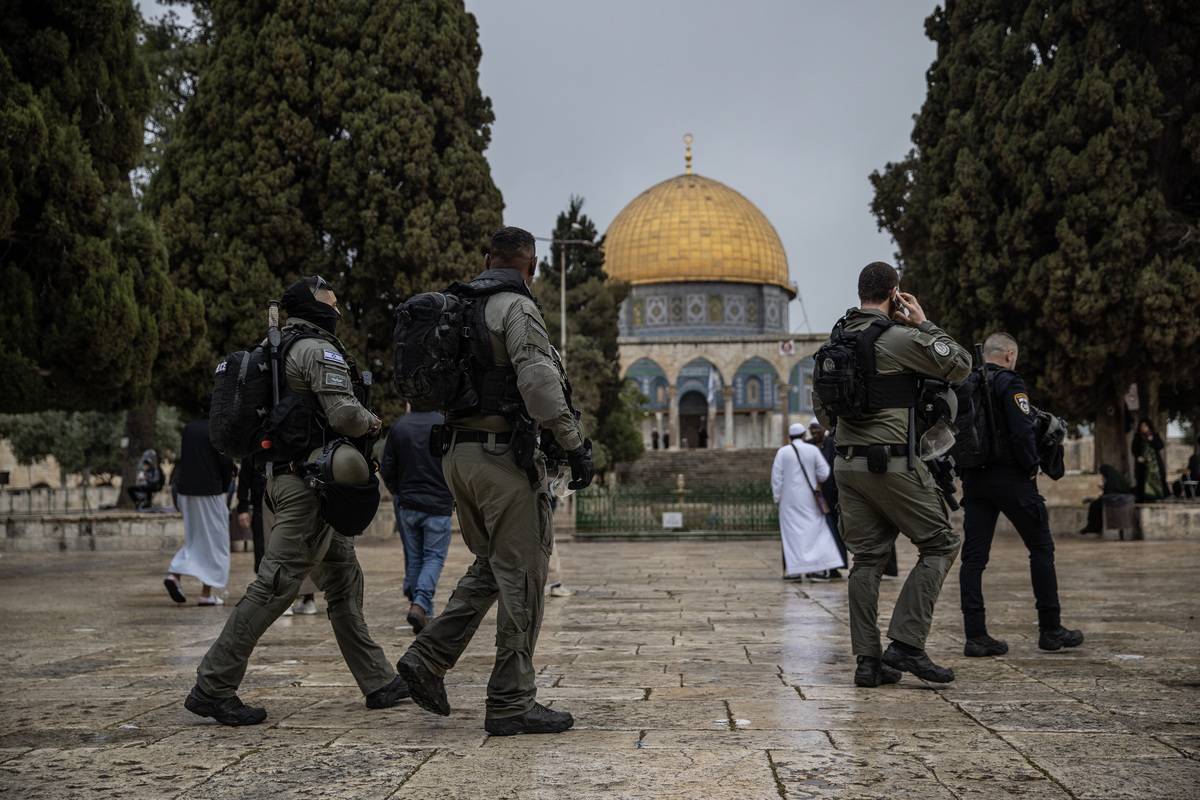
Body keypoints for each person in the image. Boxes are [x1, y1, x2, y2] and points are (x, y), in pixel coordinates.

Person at [184, 276, 407, 726]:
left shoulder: (280, 347)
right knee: (275, 586)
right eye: (329, 296)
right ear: (313, 303)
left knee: (344, 581)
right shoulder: (314, 350)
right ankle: (213, 685)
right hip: (307, 487)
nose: (336, 302)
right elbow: (343, 413)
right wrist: (372, 423)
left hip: (295, 480)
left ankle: (379, 680)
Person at [397, 227, 593, 737]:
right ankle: (511, 701)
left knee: (492, 567)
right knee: (524, 578)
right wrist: (574, 445)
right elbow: (540, 388)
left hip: (457, 457)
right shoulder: (514, 308)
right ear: (531, 266)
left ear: (487, 259)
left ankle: (427, 658)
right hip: (502, 458)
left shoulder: (455, 306)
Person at [813, 261, 970, 688]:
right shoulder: (899, 338)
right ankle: (906, 642)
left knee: (865, 560)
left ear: (860, 291)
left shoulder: (834, 342)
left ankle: (868, 661)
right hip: (893, 464)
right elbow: (959, 365)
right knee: (941, 543)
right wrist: (925, 323)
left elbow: (821, 413)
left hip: (846, 465)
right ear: (895, 292)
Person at [957, 333, 1084, 656]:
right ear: (1010, 354)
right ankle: (1051, 629)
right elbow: (1021, 428)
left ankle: (975, 634)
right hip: (1011, 477)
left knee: (973, 558)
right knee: (1041, 547)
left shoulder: (966, 383)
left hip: (974, 479)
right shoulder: (1010, 382)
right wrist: (1031, 467)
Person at [380, 406, 455, 635]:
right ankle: (421, 603)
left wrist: (398, 492)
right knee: (433, 556)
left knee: (414, 557)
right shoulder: (445, 425)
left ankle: (424, 611)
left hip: (408, 504)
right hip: (438, 505)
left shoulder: (399, 426)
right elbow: (455, 464)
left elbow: (387, 467)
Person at [164, 412, 235, 606]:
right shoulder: (217, 429)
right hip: (210, 491)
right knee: (216, 541)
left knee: (195, 538)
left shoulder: (189, 428)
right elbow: (225, 461)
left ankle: (174, 575)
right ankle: (206, 593)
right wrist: (226, 486)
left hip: (186, 490)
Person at [772, 423, 845, 582]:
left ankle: (794, 572)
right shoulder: (812, 450)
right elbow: (824, 473)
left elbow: (776, 478)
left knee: (792, 535)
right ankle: (817, 570)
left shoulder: (782, 452)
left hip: (788, 500)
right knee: (814, 533)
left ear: (789, 437)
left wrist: (777, 498)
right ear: (804, 435)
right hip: (809, 498)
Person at [809, 421, 847, 579]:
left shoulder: (831, 444)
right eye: (812, 430)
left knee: (834, 531)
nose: (815, 432)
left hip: (831, 495)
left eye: (817, 429)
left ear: (823, 429)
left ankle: (835, 566)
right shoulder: (808, 445)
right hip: (815, 497)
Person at [1081, 464, 1134, 534]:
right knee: (1095, 504)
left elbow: (1109, 493)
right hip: (1117, 499)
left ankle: (1093, 527)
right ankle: (1092, 526)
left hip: (1116, 500)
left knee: (1095, 505)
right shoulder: (1115, 477)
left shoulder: (1112, 479)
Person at [1132, 418, 1168, 502]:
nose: (1143, 428)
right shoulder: (1137, 436)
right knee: (1142, 480)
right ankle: (1143, 498)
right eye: (1142, 426)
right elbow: (1134, 449)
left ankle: (1156, 497)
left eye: (1145, 426)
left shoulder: (1154, 435)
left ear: (1149, 427)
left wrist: (1152, 440)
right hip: (1142, 463)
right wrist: (1138, 457)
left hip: (1154, 465)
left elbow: (1160, 446)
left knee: (1156, 480)